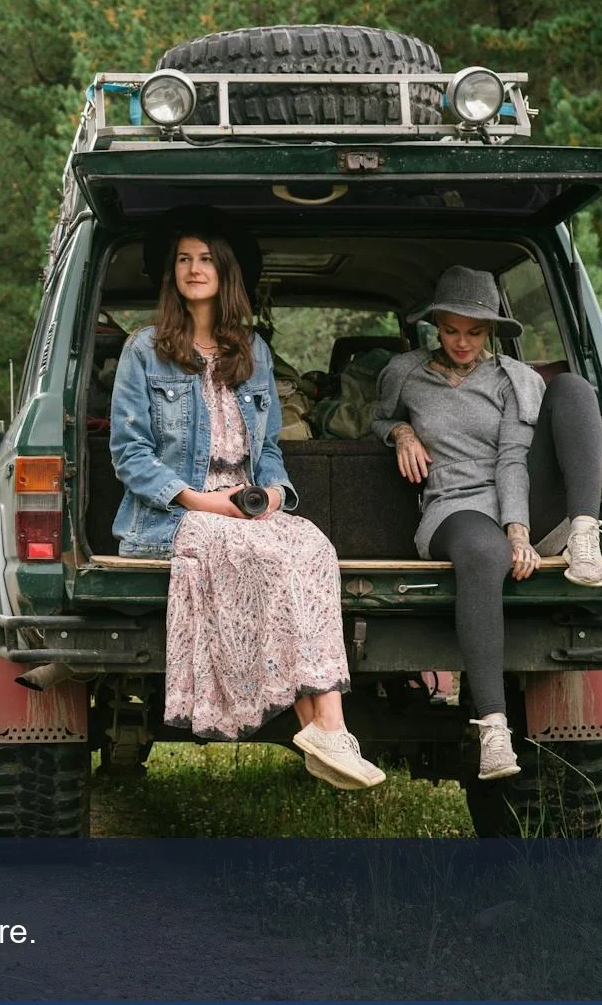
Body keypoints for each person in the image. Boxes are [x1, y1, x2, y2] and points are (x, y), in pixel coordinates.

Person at [111, 221, 385, 790]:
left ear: (224, 272)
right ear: (173, 274)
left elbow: (266, 450)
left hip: (246, 504)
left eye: (206, 258)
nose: (194, 268)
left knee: (311, 547)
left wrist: (277, 495)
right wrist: (204, 502)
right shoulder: (143, 349)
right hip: (174, 513)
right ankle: (328, 730)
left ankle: (324, 728)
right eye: (183, 259)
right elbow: (128, 454)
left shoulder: (252, 349)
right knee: (259, 558)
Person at [370, 265, 602, 782]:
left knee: (573, 389)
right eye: (451, 330)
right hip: (454, 506)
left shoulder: (515, 380)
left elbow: (512, 461)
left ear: (493, 331)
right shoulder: (405, 372)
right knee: (484, 554)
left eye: (475, 332)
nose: (461, 342)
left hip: (514, 496)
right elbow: (377, 417)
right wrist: (402, 434)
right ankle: (494, 731)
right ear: (435, 325)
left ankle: (584, 533)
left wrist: (518, 530)